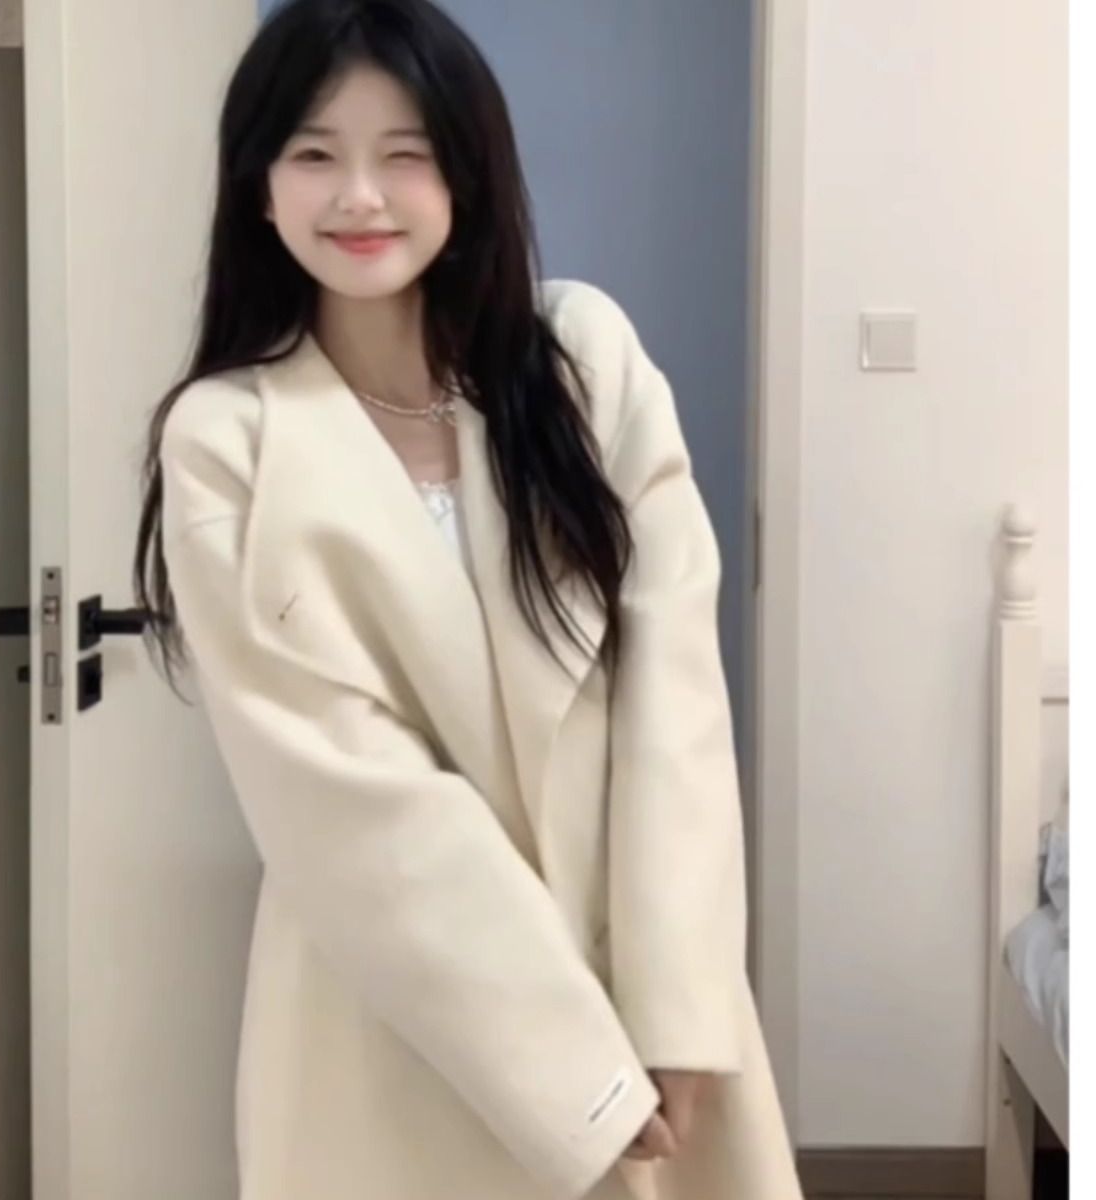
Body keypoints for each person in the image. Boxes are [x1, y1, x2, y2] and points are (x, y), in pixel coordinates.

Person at [132, 1, 804, 1197]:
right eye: (314, 153)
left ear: (468, 175)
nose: (361, 197)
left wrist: (681, 1005)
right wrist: (576, 1073)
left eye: (406, 154)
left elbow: (676, 695)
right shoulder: (226, 438)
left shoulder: (582, 358)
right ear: (258, 186)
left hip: (636, 971)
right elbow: (344, 792)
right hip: (387, 1018)